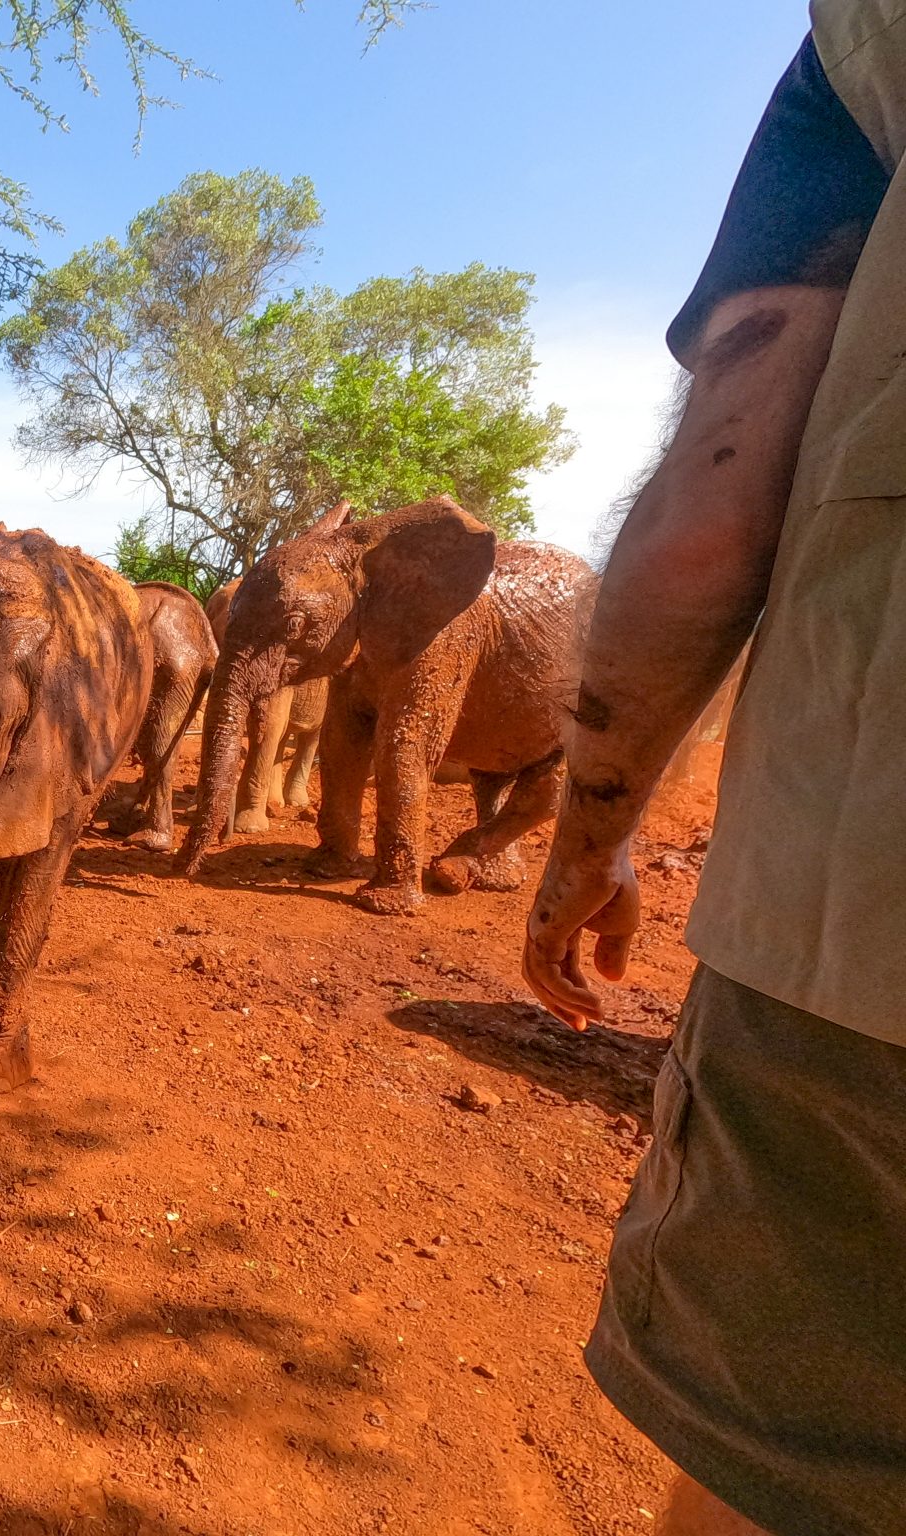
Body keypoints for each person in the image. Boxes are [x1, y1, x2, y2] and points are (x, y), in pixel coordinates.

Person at [523, 8, 905, 1534]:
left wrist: (581, 848)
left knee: (783, 1474)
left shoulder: (861, 48)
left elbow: (704, 522)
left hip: (866, 931)